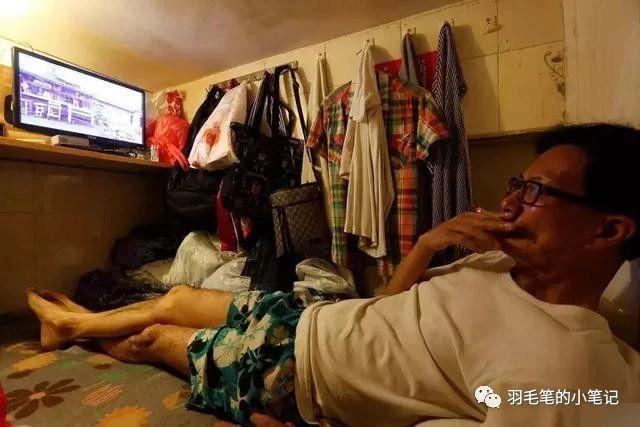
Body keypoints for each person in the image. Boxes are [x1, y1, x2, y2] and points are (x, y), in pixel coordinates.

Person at [27, 124, 640, 426]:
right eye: (516, 185)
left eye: (534, 192)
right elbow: (392, 306)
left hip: (300, 373)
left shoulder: (559, 371)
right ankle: (75, 322)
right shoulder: (500, 261)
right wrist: (429, 243)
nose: (508, 204)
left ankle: (76, 330)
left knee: (157, 339)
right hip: (318, 317)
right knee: (181, 294)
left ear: (609, 230)